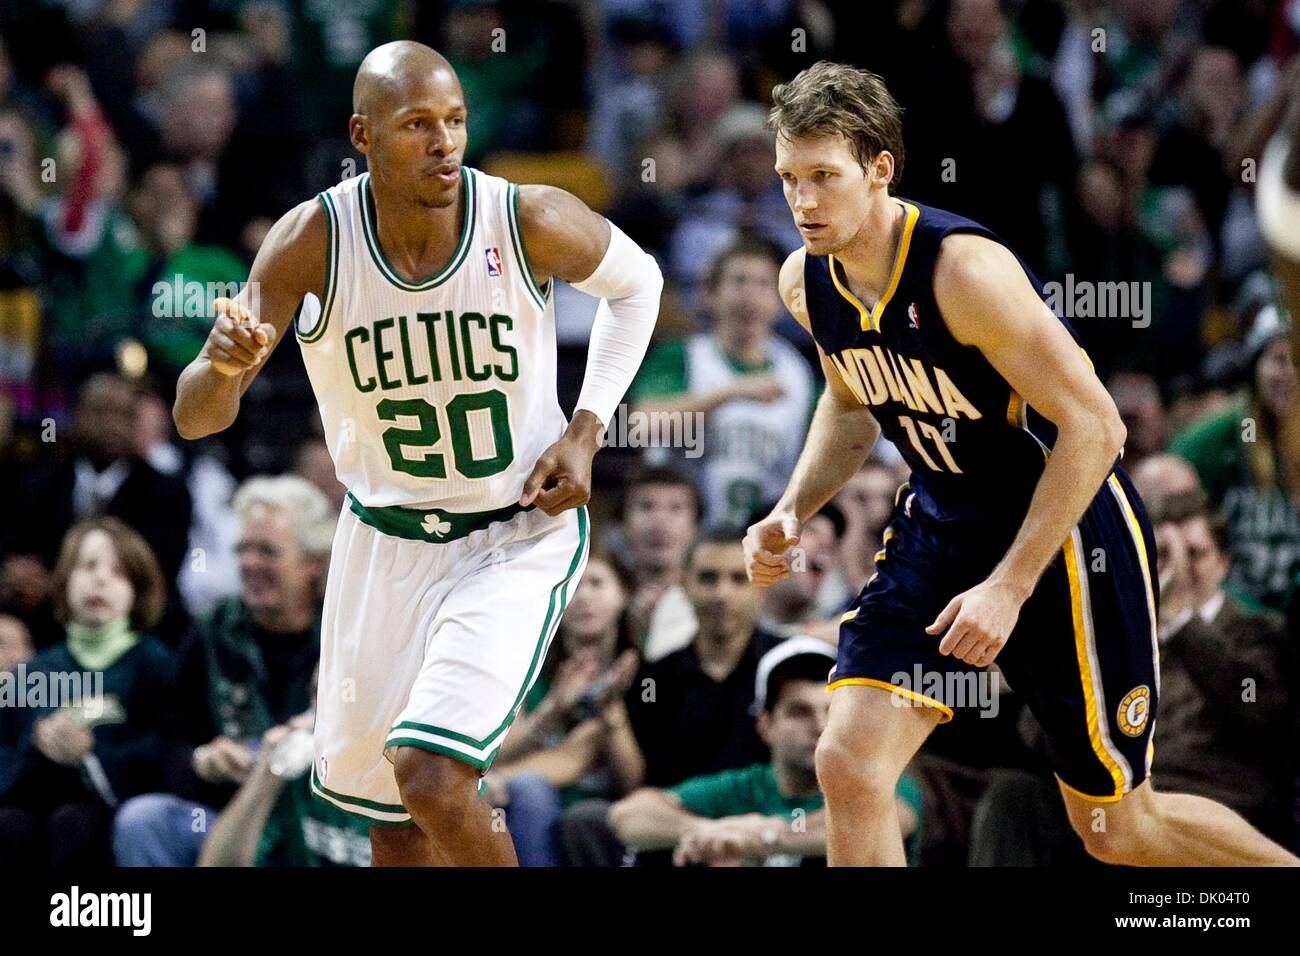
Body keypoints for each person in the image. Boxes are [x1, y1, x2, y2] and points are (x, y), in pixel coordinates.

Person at [744, 61, 1298, 866]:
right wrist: (794, 505)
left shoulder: (962, 272)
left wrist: (1011, 583)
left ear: (879, 171)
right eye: (789, 178)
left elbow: (1098, 429)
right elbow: (851, 401)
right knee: (848, 764)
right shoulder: (806, 280)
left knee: (1117, 831)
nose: (802, 201)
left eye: (824, 177)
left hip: (1067, 531)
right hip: (941, 520)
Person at [171, 41, 661, 866]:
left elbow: (638, 283)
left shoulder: (526, 216)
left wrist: (587, 426)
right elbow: (197, 418)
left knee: (430, 778)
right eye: (417, 125)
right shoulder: (310, 242)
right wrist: (219, 364)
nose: (445, 143)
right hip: (382, 543)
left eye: (456, 121)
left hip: (511, 535)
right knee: (393, 825)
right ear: (362, 135)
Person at [113, 474, 331, 867]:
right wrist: (203, 761)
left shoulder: (345, 632)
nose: (249, 563)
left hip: (322, 827)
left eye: (267, 551)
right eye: (243, 548)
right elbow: (167, 740)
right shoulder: (212, 629)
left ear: (313, 563)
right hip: (229, 817)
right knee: (143, 821)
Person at [609, 637, 924, 866]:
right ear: (765, 724)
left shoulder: (878, 781)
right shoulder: (745, 786)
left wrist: (758, 839)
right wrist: (706, 831)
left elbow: (874, 822)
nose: (819, 726)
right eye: (799, 712)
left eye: (831, 711)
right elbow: (627, 816)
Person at [0, 518, 173, 867]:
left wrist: (93, 754)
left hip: (110, 811)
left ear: (138, 590)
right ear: (63, 582)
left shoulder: (153, 662)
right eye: (88, 566)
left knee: (74, 823)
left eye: (119, 572)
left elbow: (164, 747)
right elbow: (5, 747)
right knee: (10, 825)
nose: (100, 580)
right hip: (35, 804)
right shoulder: (38, 668)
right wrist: (35, 744)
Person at [485, 549, 644, 866]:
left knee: (527, 789)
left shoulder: (644, 675)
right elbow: (492, 755)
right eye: (571, 584)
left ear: (624, 594)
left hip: (608, 813)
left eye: (597, 583)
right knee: (528, 796)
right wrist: (552, 710)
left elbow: (632, 779)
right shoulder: (526, 667)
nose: (583, 596)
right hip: (535, 809)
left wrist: (611, 712)